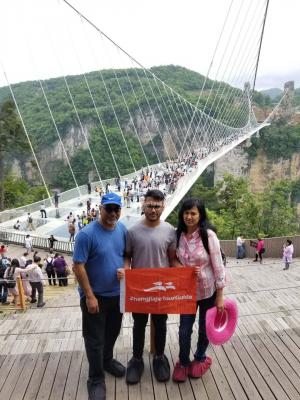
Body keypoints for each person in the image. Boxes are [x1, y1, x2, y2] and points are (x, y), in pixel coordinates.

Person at [118, 189, 180, 385]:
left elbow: (172, 259)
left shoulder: (170, 230)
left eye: (157, 206)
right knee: (138, 325)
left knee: (161, 323)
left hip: (161, 288)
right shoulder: (132, 231)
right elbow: (127, 255)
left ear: (163, 207)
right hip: (140, 288)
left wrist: (187, 273)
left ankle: (159, 357)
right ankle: (136, 360)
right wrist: (126, 270)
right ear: (143, 205)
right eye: (150, 205)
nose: (153, 210)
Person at [73, 193, 127, 400]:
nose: (112, 213)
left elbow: (125, 254)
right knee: (94, 338)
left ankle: (107, 360)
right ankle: (95, 379)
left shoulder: (121, 229)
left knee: (112, 332)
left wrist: (125, 270)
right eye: (109, 209)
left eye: (116, 209)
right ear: (100, 209)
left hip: (117, 294)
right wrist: (89, 296)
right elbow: (78, 265)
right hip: (95, 297)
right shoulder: (87, 235)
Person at [172, 198, 226, 383]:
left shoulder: (208, 236)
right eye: (186, 213)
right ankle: (184, 361)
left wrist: (220, 296)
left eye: (193, 213)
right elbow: (174, 259)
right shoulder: (177, 234)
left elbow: (218, 266)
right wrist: (182, 269)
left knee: (204, 329)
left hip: (207, 291)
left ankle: (200, 357)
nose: (189, 217)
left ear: (200, 215)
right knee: (184, 330)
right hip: (186, 292)